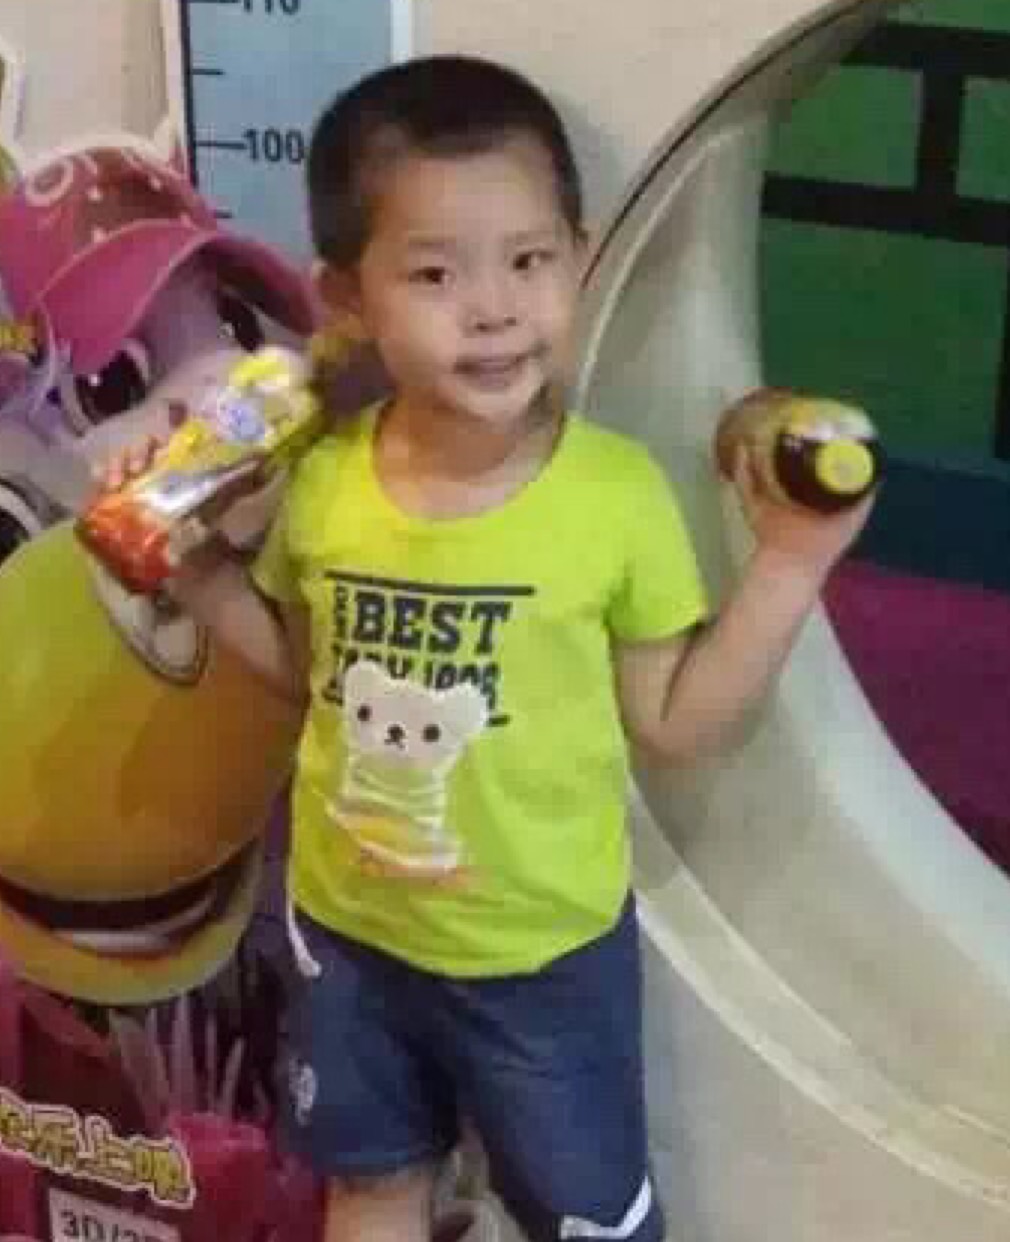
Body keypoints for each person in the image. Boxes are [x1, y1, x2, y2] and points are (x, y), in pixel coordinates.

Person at [116, 54, 873, 1242]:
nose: (495, 309)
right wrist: (195, 570)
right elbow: (308, 674)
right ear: (347, 296)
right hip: (349, 939)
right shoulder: (325, 481)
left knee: (587, 1222)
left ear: (579, 258)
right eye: (435, 273)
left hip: (541, 961)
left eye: (529, 261)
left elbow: (676, 722)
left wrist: (790, 562)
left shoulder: (615, 497)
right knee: (373, 1184)